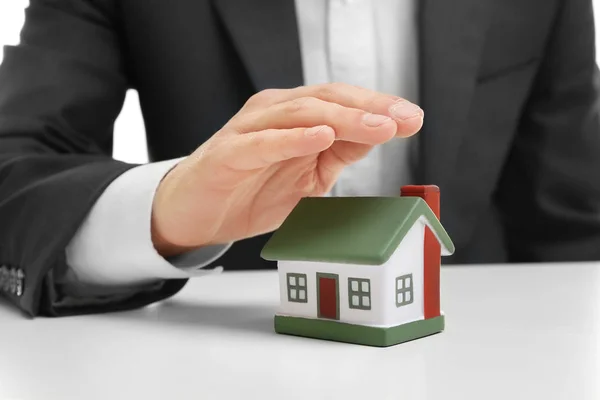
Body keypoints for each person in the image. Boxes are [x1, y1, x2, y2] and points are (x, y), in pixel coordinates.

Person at [1, 0, 600, 317]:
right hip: (218, 361)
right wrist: (163, 214)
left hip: (483, 357)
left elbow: (568, 218)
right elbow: (13, 159)